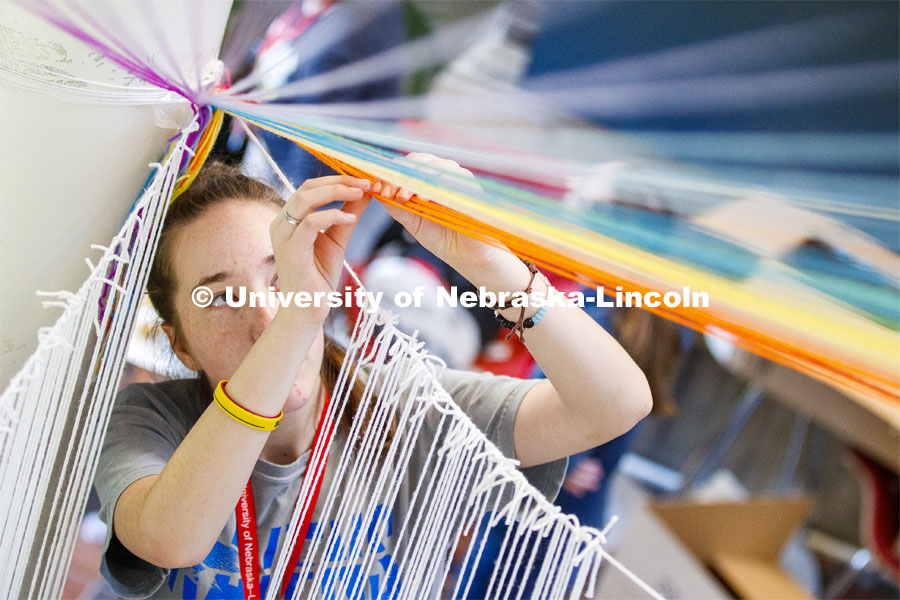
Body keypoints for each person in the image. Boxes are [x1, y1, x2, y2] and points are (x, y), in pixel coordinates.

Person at [94, 155, 652, 599]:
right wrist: (297, 319)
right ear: (180, 345)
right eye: (218, 297)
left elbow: (615, 404)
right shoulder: (151, 420)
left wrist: (486, 260)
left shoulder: (401, 412)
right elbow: (172, 539)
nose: (264, 317)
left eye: (281, 276)